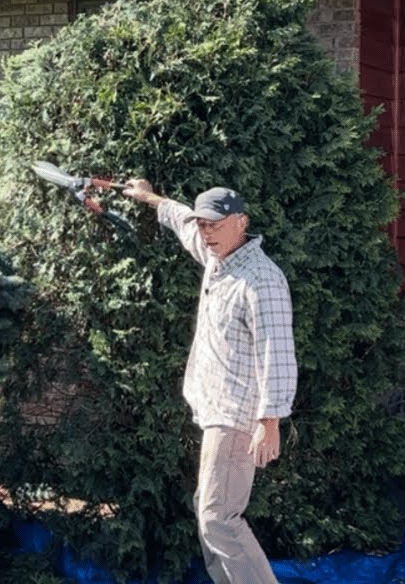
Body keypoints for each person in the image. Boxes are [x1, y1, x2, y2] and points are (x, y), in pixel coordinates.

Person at [122, 180, 297, 584]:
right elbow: (182, 219)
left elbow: (277, 351)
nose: (206, 232)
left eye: (215, 225)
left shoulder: (261, 279)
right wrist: (150, 197)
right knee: (209, 508)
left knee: (219, 518)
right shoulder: (218, 258)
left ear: (241, 222)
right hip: (217, 408)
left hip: (238, 415)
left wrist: (270, 421)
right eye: (204, 225)